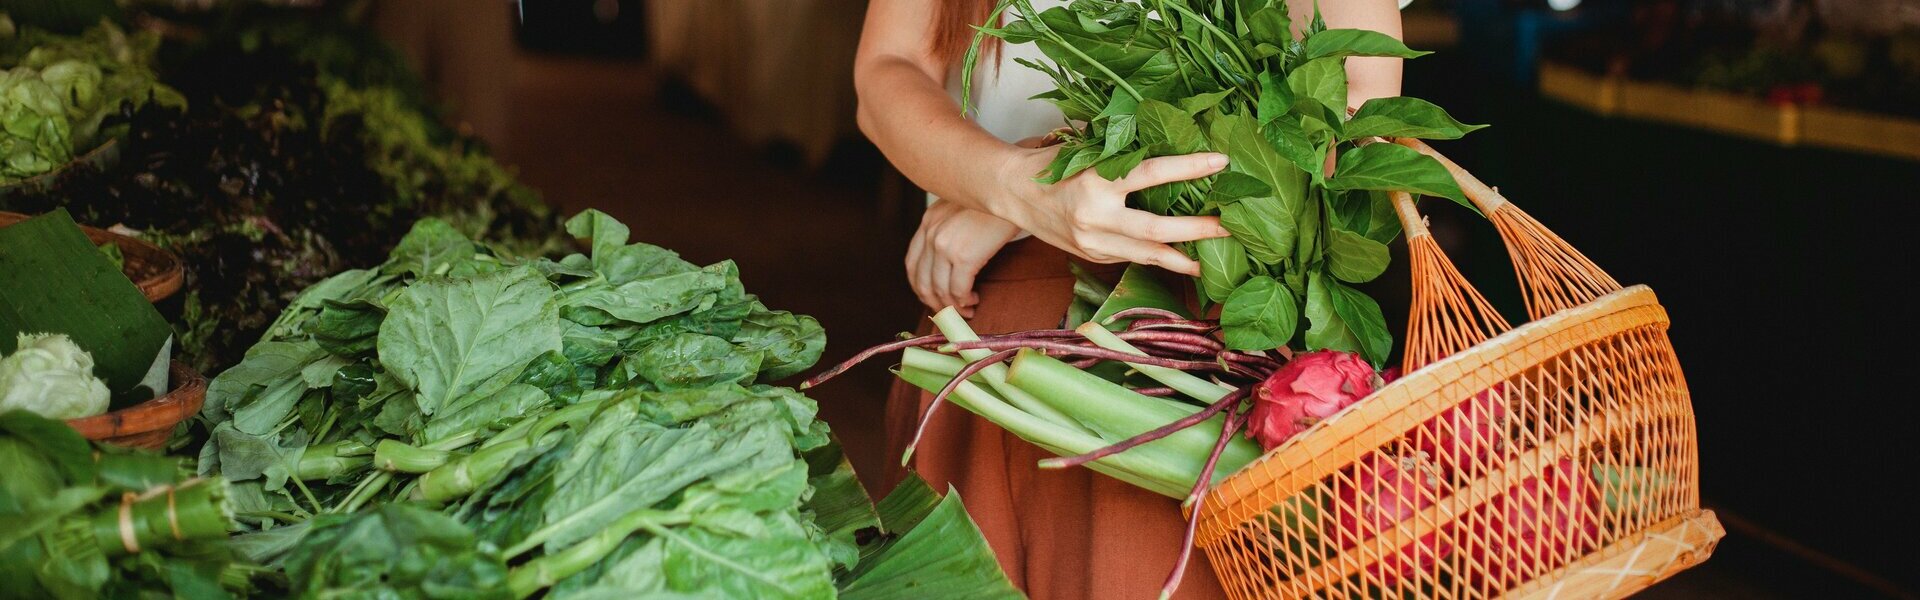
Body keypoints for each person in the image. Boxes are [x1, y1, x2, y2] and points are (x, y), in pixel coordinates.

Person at [852, 1, 1406, 597]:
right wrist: (1011, 184)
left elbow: (1352, 114)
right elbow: (890, 65)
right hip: (983, 332)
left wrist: (1045, 169)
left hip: (1194, 352)